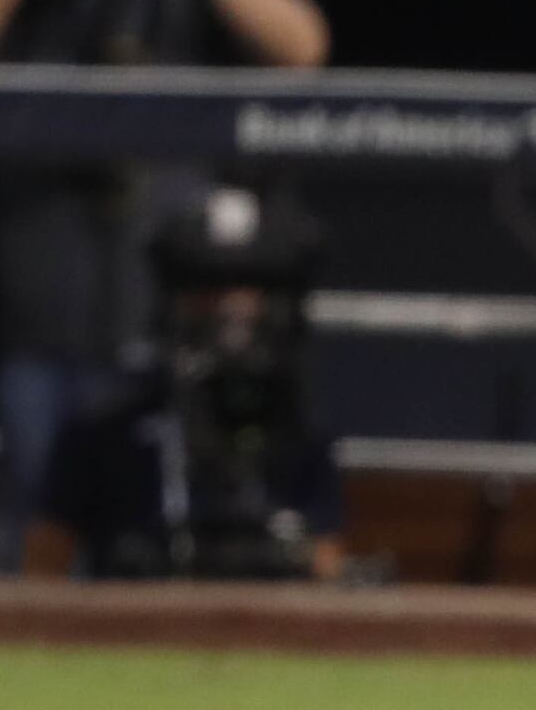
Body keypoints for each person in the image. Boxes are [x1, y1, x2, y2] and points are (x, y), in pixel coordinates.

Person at [0, 0, 329, 578]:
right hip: (45, 335)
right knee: (32, 536)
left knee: (184, 545)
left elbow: (304, 48)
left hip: (185, 347)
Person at [46, 186, 347, 583]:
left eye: (246, 289)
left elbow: (328, 559)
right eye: (209, 289)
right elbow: (46, 560)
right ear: (176, 299)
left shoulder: (299, 424)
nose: (229, 309)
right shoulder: (112, 420)